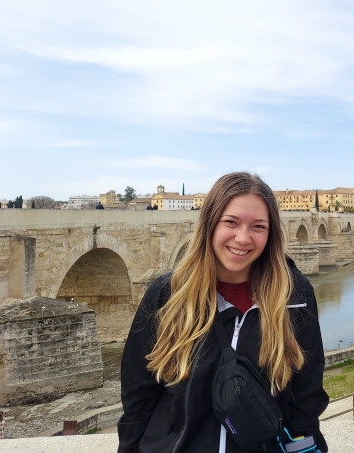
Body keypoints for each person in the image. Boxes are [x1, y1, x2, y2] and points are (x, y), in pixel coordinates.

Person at [118, 172, 329, 453]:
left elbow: (306, 395)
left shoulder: (294, 295)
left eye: (258, 226)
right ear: (209, 224)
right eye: (231, 222)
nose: (243, 238)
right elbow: (138, 398)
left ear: (271, 233)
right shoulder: (166, 296)